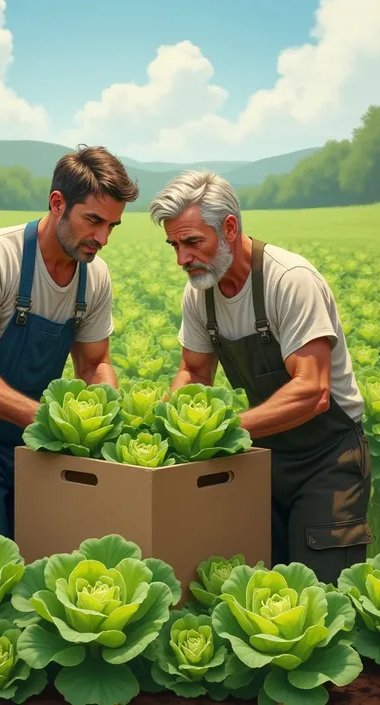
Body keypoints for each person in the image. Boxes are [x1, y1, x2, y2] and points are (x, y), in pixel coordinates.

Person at [149, 169, 373, 585]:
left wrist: (221, 429)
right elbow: (195, 370)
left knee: (326, 593)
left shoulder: (290, 281)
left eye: (192, 241)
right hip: (263, 458)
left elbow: (312, 391)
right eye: (174, 245)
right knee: (262, 588)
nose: (182, 258)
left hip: (327, 459)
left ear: (230, 228)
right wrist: (174, 417)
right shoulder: (201, 291)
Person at [0, 145, 139, 544]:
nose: (102, 237)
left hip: (35, 447)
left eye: (112, 226)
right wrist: (48, 421)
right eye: (93, 221)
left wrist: (102, 417)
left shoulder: (95, 276)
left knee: (43, 564)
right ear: (58, 203)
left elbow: (94, 363)